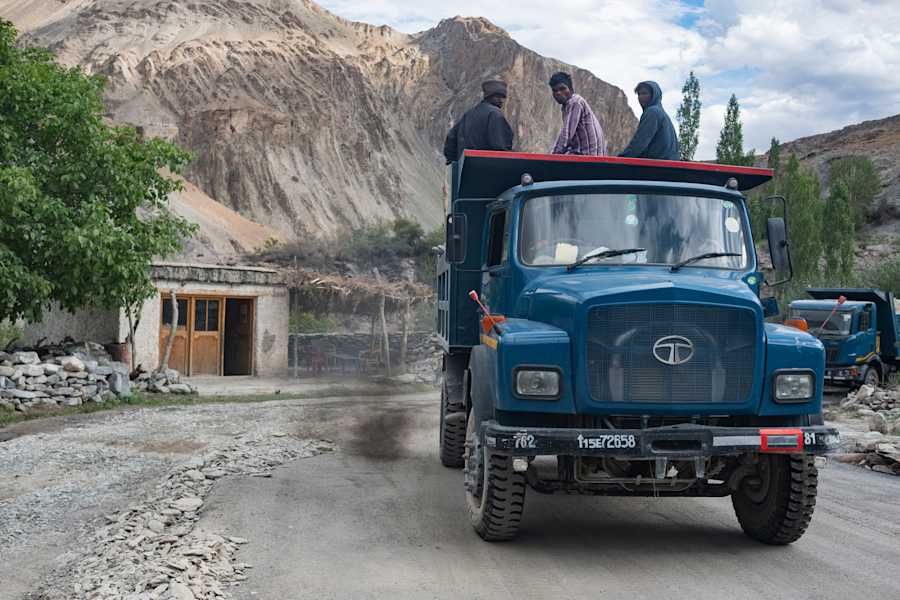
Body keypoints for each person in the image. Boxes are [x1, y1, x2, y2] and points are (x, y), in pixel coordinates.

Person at [443, 80, 514, 164]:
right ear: (489, 96)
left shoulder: (469, 114)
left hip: (465, 169)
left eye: (503, 97)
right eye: (498, 97)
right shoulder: (495, 114)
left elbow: (451, 139)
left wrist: (455, 162)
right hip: (487, 169)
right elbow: (500, 147)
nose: (501, 100)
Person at [548, 72, 606, 156]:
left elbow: (566, 136)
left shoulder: (575, 102)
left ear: (571, 90)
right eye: (555, 90)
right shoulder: (567, 106)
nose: (558, 93)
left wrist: (550, 157)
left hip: (589, 157)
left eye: (562, 88)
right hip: (585, 155)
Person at [619, 81, 680, 160]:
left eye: (644, 93)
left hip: (657, 166)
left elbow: (639, 143)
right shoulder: (660, 112)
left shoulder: (652, 112)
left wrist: (621, 159)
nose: (641, 97)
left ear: (654, 95)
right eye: (639, 94)